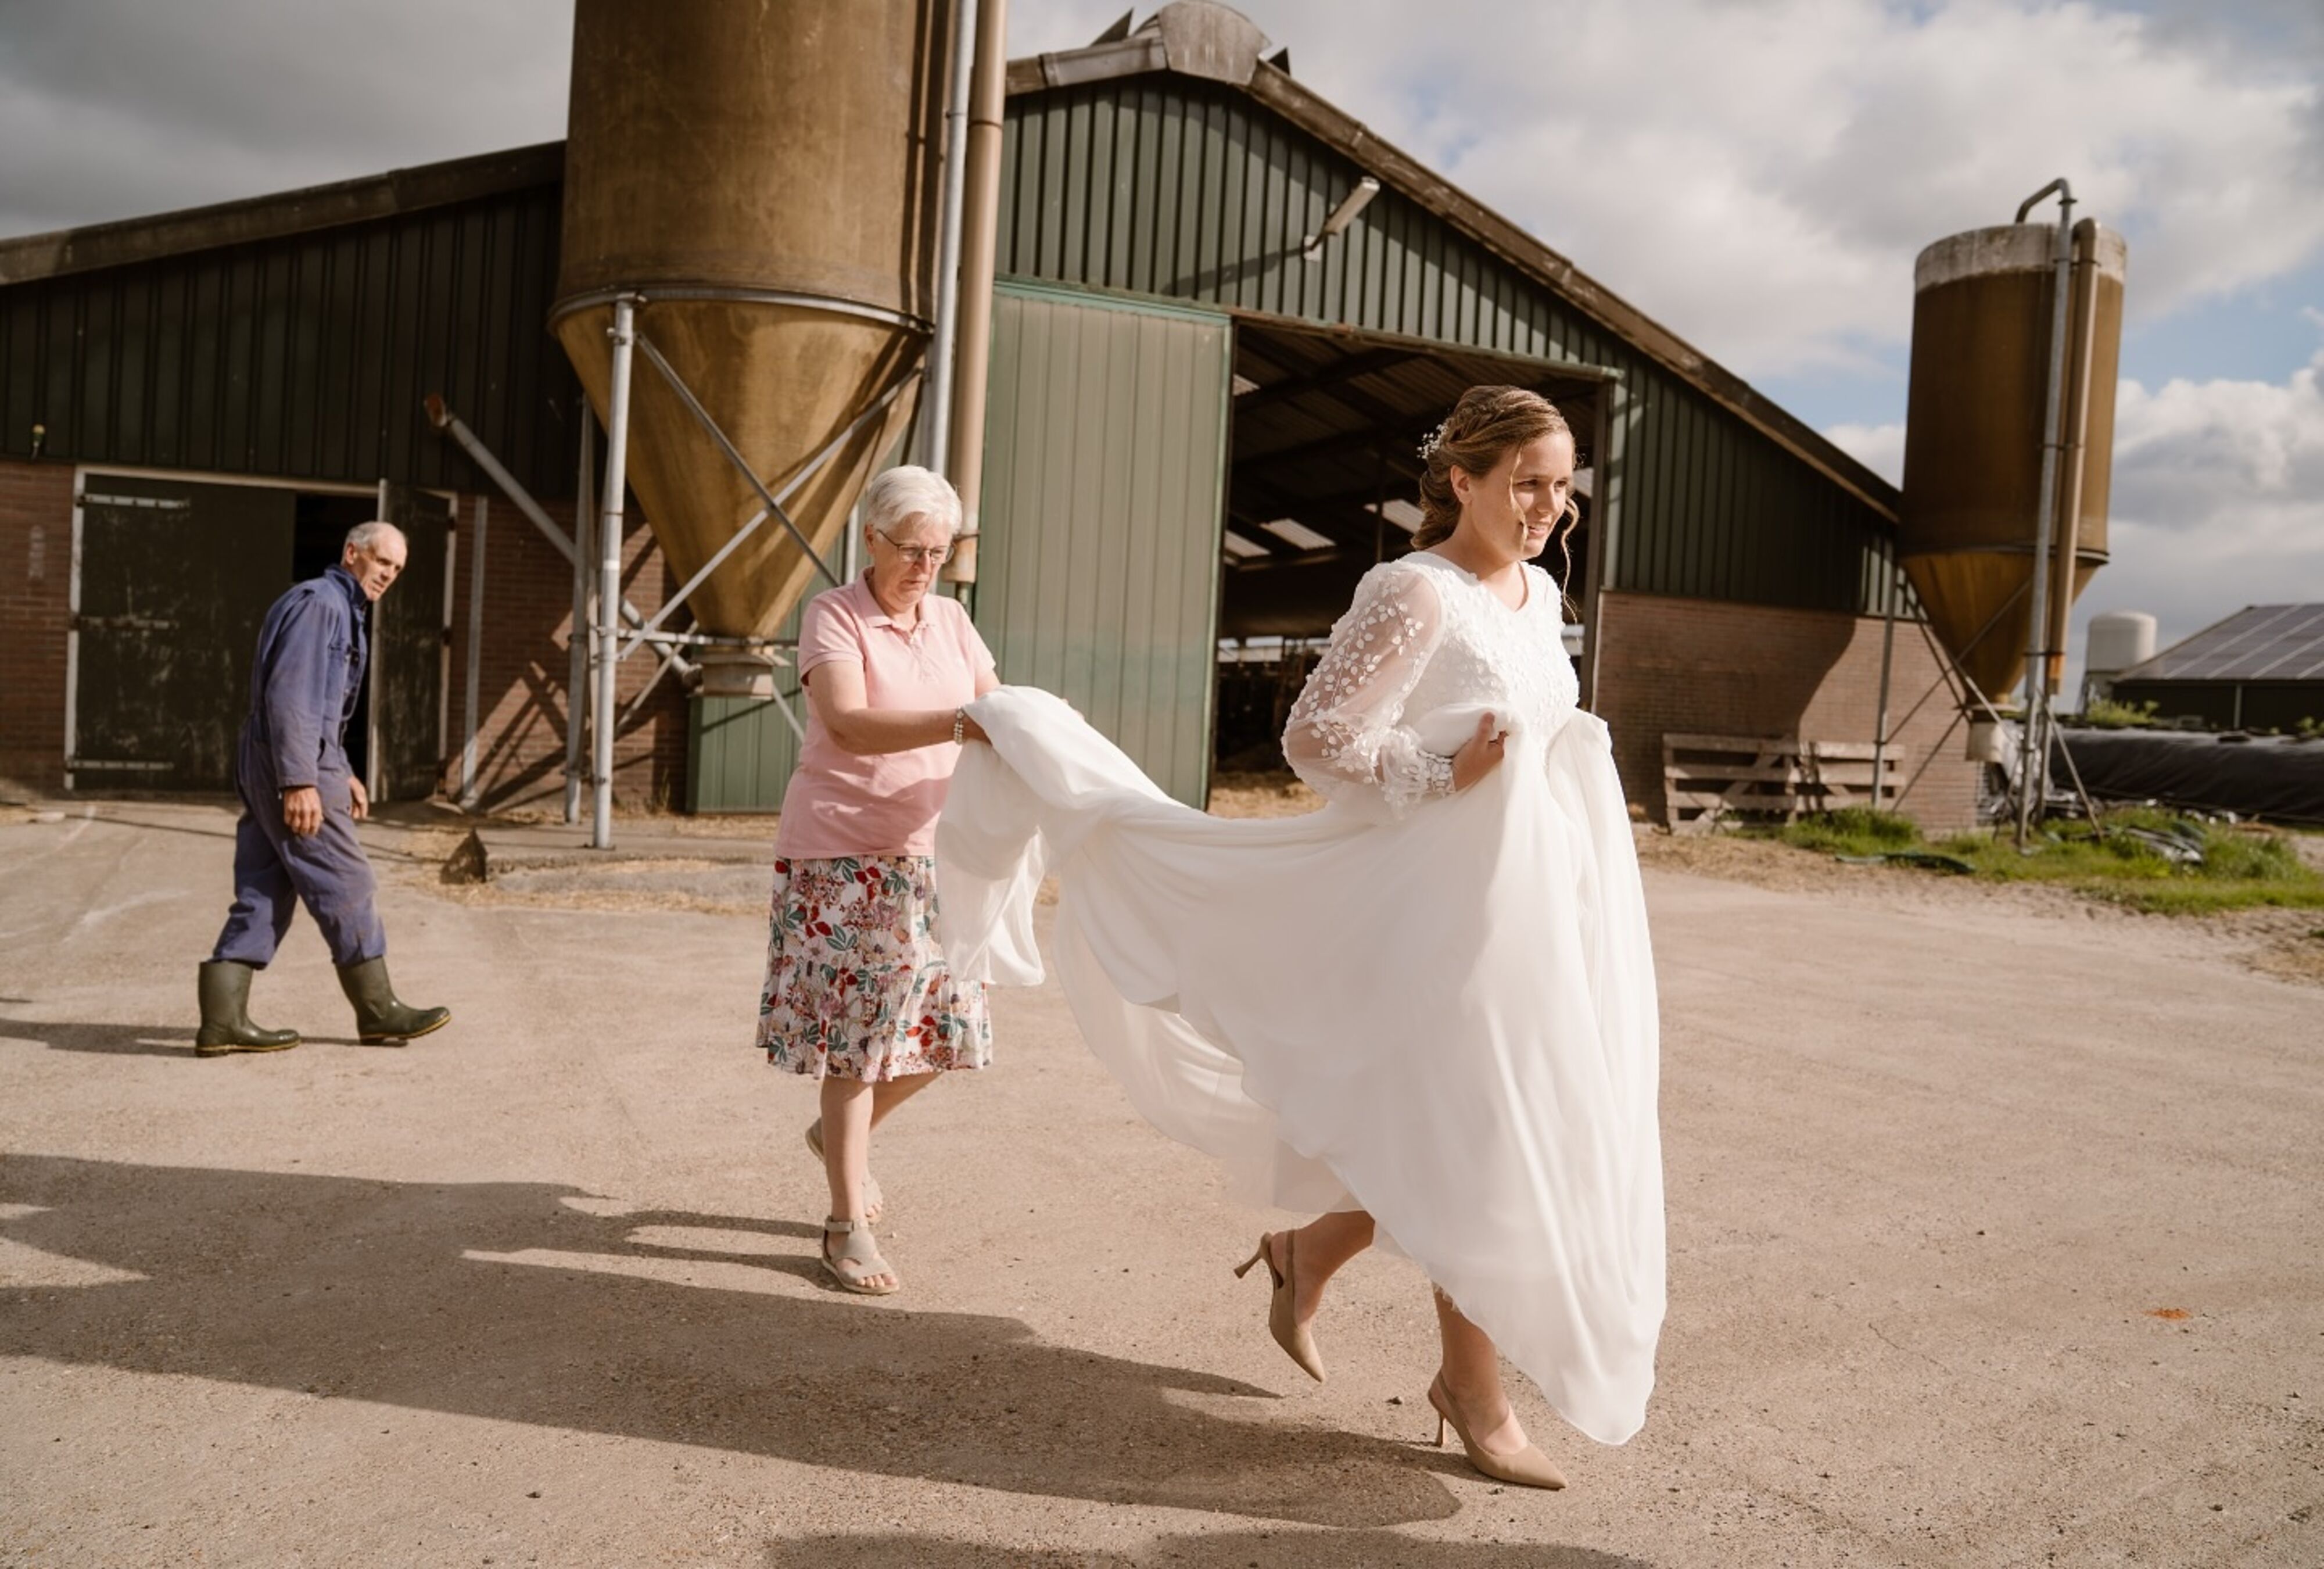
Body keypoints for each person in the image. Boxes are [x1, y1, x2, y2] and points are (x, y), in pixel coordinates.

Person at [938, 386, 1664, 1489]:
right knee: (1483, 1135)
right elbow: (1314, 738)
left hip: (1532, 907)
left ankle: (1306, 1251)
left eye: (1563, 487)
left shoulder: (1540, 593)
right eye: (1527, 483)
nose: (1549, 508)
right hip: (1429, 916)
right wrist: (1443, 772)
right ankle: (1472, 1391)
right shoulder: (1413, 591)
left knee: (1460, 1124)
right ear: (1461, 480)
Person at [759, 464, 999, 1295]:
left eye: (939, 552)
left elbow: (997, 707)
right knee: (859, 1047)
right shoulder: (833, 615)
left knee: (946, 1032)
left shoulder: (954, 621)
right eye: (911, 549)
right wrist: (963, 723)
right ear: (872, 539)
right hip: (846, 858)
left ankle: (838, 1139)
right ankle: (843, 1226)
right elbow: (850, 725)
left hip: (936, 856)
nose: (925, 567)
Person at [196, 521, 451, 1056]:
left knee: (266, 885)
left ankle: (222, 1021)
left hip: (292, 759)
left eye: (398, 569)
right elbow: (292, 698)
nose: (389, 575)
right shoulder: (322, 605)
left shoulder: (340, 608)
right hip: (290, 764)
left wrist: (343, 770)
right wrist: (300, 781)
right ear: (352, 552)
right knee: (347, 880)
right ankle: (378, 1011)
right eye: (382, 561)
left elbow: (324, 708)